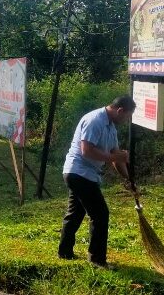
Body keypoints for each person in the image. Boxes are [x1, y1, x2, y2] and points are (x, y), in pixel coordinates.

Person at [57, 95, 137, 269]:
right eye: (127, 116)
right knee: (101, 215)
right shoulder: (95, 120)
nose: (127, 120)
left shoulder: (111, 127)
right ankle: (97, 259)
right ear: (120, 110)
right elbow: (87, 151)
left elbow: (116, 158)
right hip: (78, 172)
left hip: (86, 174)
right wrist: (115, 156)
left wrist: (128, 179)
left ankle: (64, 252)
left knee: (75, 214)